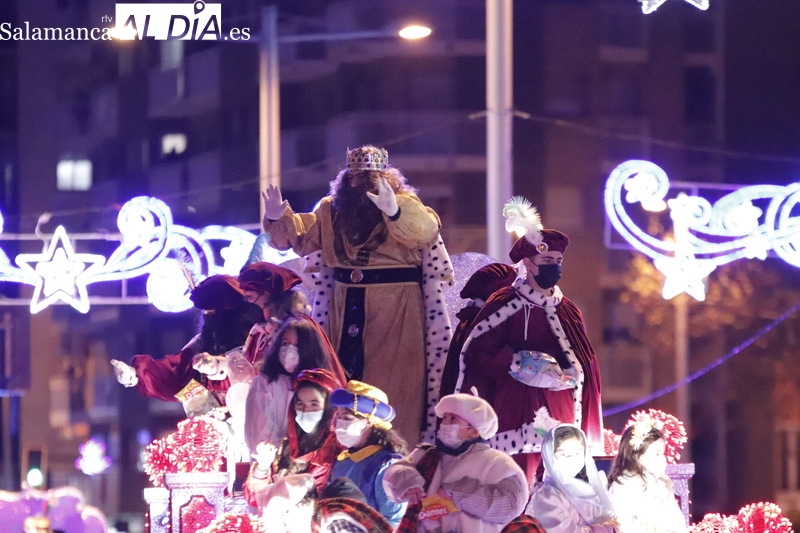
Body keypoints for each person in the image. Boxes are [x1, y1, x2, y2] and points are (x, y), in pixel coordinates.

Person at [261, 145, 453, 443]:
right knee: (343, 378)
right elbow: (300, 238)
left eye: (369, 177)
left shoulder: (405, 203)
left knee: (394, 379)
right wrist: (277, 219)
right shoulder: (330, 210)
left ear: (385, 178)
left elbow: (425, 231)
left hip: (395, 306)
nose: (360, 183)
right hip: (344, 301)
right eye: (355, 177)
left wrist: (395, 211)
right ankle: (344, 449)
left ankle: (397, 451)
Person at [456, 198, 603, 483]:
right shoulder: (505, 302)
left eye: (558, 261)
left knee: (557, 481)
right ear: (529, 263)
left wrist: (565, 374)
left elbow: (582, 361)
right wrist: (518, 363)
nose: (555, 267)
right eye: (547, 261)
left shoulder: (567, 308)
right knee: (516, 478)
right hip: (515, 406)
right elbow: (478, 351)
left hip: (559, 405)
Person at [382, 393, 528, 533]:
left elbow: (511, 505)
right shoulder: (426, 455)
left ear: (474, 431)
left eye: (453, 419)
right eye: (444, 418)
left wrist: (460, 493)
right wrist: (407, 482)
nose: (444, 424)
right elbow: (394, 472)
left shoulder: (497, 462)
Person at [110, 274, 263, 406]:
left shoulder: (258, 339)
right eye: (206, 312)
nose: (209, 316)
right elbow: (175, 373)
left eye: (213, 311)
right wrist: (135, 375)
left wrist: (219, 366)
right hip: (216, 429)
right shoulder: (203, 343)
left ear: (230, 313)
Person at [244, 369, 343, 511]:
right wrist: (263, 467)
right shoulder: (285, 444)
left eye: (314, 404)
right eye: (300, 404)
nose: (305, 410)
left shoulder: (338, 450)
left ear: (329, 409)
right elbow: (253, 499)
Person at [244, 317, 345, 455]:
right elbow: (258, 431)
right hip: (273, 463)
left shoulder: (323, 383)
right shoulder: (265, 383)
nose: (289, 351)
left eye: (297, 346)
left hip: (316, 462)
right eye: (285, 343)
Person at [328, 380, 407, 527]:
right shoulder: (342, 461)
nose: (340, 423)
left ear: (369, 421)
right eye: (338, 417)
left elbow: (394, 521)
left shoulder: (388, 465)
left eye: (347, 418)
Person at [528, 425, 616, 533]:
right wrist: (609, 529)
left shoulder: (589, 489)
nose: (572, 459)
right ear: (550, 457)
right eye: (563, 454)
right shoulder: (547, 497)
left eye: (578, 453)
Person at [607, 422, 687, 533]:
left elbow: (677, 521)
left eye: (663, 453)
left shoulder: (662, 484)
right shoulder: (623, 484)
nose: (663, 459)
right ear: (638, 456)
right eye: (657, 454)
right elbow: (622, 524)